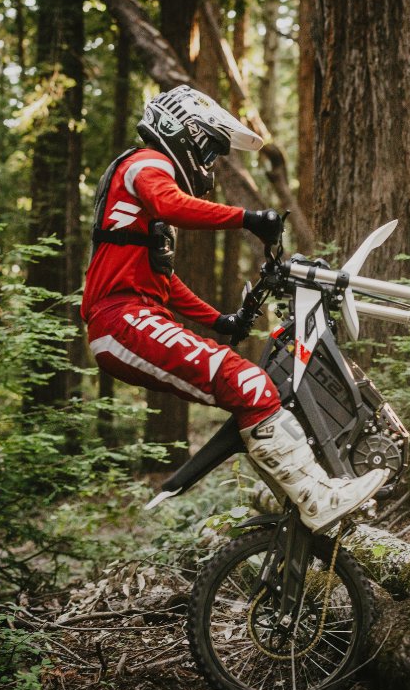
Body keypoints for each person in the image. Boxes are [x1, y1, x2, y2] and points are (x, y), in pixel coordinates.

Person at [80, 86, 388, 533]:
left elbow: (165, 280)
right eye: (209, 150)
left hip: (133, 319)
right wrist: (248, 217)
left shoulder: (143, 208)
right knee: (247, 382)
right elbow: (172, 204)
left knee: (251, 391)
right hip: (123, 320)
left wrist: (221, 320)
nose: (208, 164)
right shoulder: (146, 163)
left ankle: (293, 499)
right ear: (185, 133)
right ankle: (317, 498)